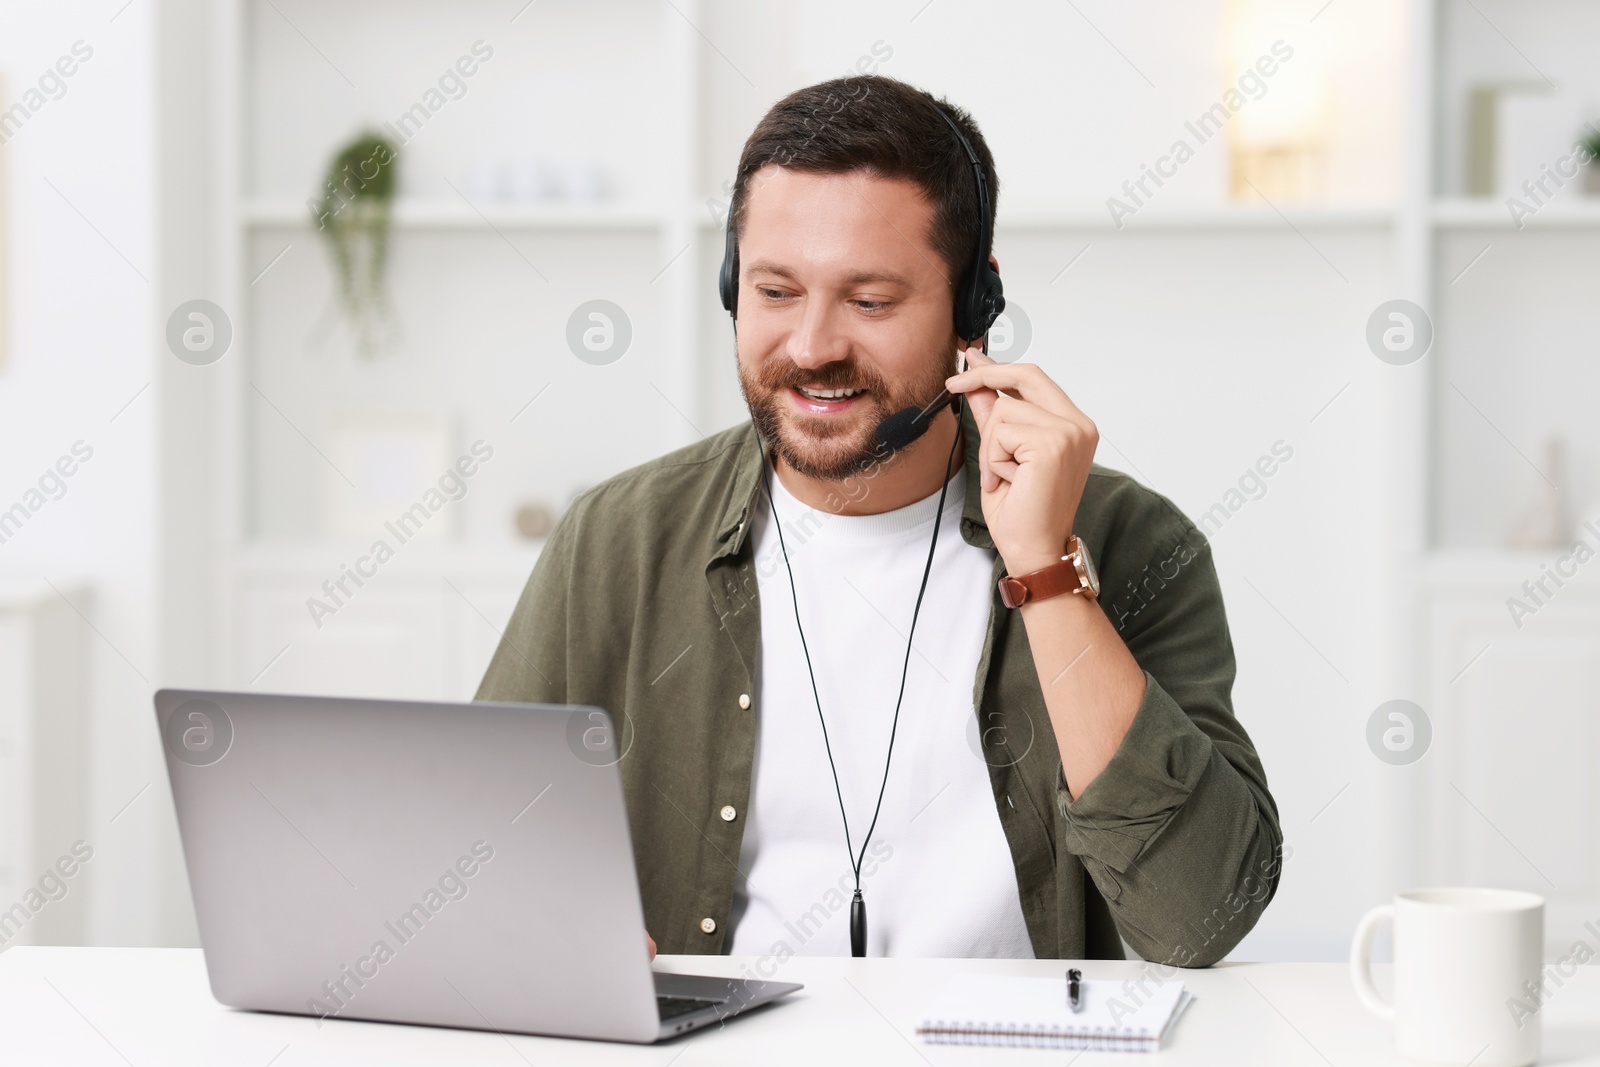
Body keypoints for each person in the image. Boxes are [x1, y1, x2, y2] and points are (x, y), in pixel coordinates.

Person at [476, 75, 1282, 967]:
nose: (814, 345)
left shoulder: (1133, 541)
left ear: (976, 308)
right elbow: (471, 851)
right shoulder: (615, 539)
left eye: (870, 302)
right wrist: (538, 928)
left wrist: (1048, 573)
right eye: (777, 292)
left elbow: (1202, 917)